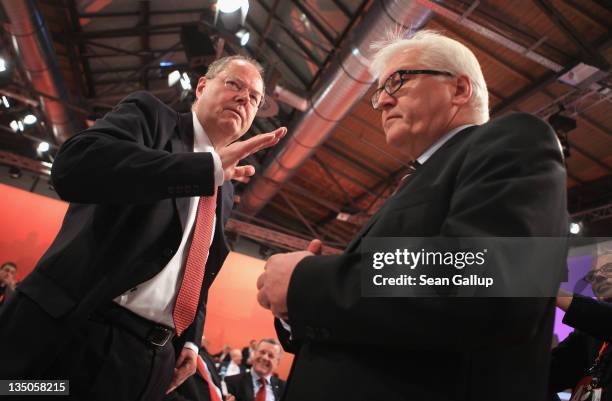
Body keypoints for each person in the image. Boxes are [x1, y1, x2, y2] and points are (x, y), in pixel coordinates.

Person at [256, 30, 568, 401]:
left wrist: (309, 282)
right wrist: (300, 303)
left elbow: (488, 278)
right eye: (379, 91)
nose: (383, 102)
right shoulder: (420, 180)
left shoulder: (515, 139)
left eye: (398, 81)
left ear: (460, 90)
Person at [0, 55, 286, 401]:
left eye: (254, 97)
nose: (245, 98)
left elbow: (195, 267)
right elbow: (74, 166)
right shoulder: (152, 117)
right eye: (234, 84)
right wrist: (202, 168)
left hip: (148, 363)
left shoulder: (225, 187)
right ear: (202, 86)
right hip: (74, 335)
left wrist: (192, 341)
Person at [549, 245, 612, 400]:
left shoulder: (597, 319)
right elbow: (545, 374)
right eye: (592, 275)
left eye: (608, 268)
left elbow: (604, 317)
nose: (598, 276)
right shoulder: (585, 334)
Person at [165, 336, 224, 401]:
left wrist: (224, 396)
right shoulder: (173, 355)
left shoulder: (207, 358)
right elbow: (165, 391)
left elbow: (218, 382)